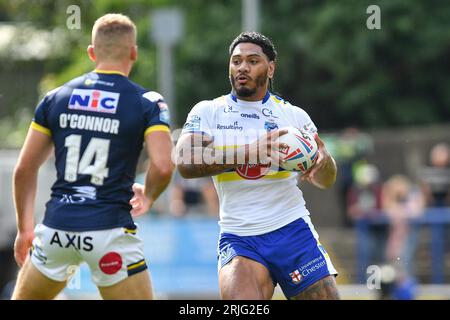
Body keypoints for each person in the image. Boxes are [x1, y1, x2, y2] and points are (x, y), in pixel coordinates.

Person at [11, 13, 174, 300]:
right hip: (109, 231)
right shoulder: (147, 102)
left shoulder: (56, 97)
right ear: (134, 53)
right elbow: (162, 165)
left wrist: (25, 229)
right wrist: (148, 195)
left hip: (57, 230)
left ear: (91, 52)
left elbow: (25, 168)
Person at [175, 32, 339, 300]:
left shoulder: (293, 116)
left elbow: (326, 179)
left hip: (292, 229)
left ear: (270, 68)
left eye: (253, 61)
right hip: (240, 236)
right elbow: (185, 161)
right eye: (236, 61)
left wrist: (324, 162)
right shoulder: (209, 112)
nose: (242, 67)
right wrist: (249, 153)